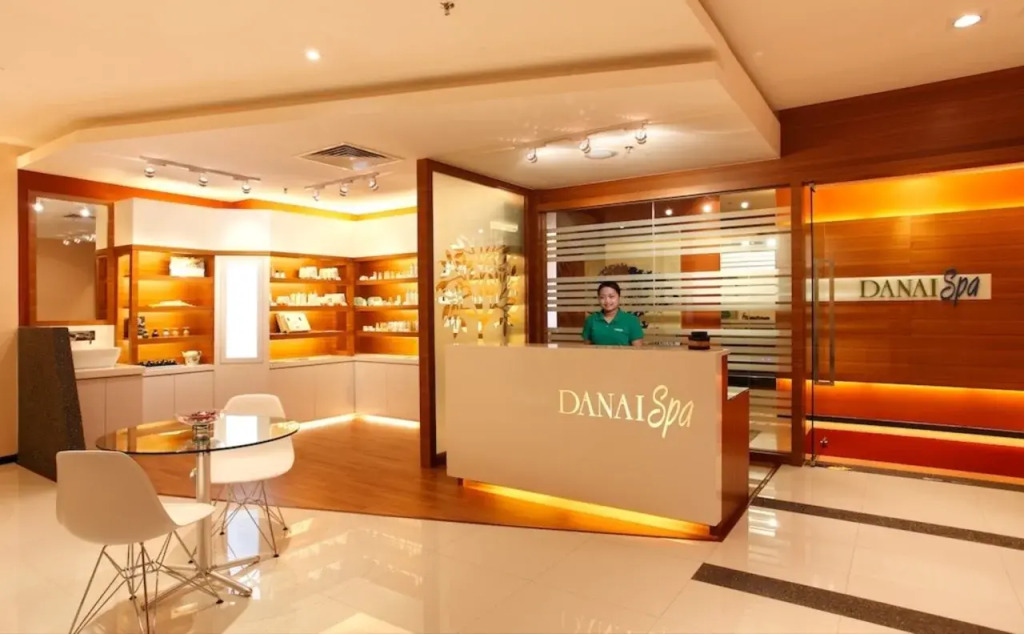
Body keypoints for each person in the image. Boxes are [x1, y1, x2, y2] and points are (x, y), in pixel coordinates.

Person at [581, 281, 644, 346]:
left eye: (611, 296)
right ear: (598, 299)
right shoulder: (591, 320)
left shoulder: (632, 320)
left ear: (619, 297)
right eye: (602, 297)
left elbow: (638, 350)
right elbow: (586, 349)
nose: (607, 301)